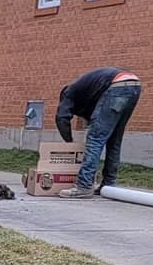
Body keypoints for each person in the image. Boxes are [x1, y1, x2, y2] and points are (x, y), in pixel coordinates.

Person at [54, 68, 143, 197]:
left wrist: (69, 143)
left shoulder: (69, 93)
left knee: (95, 138)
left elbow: (61, 118)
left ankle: (84, 186)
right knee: (114, 140)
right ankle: (109, 185)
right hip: (134, 86)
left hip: (117, 87)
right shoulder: (90, 91)